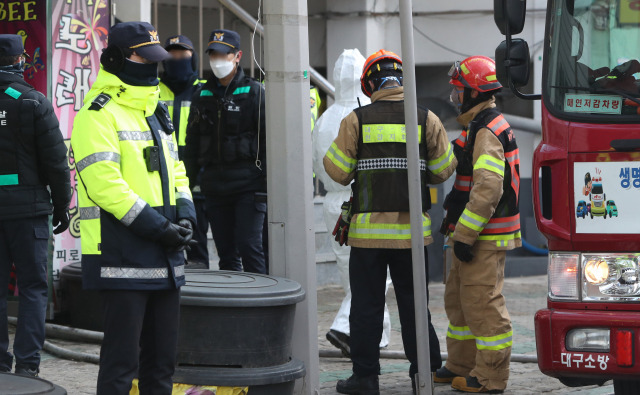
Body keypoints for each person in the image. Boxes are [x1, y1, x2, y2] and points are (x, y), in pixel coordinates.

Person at [71, 22, 196, 394]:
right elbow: (105, 186)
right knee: (121, 364)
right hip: (122, 255)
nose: (153, 67)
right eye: (145, 58)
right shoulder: (97, 114)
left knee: (162, 363)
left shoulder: (155, 109)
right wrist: (158, 227)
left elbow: (176, 168)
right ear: (116, 59)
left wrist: (186, 212)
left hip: (166, 252)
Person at [324, 49, 455, 394]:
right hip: (412, 236)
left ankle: (365, 379)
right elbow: (443, 170)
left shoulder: (356, 119)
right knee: (415, 307)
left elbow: (337, 172)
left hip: (367, 238)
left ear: (369, 84)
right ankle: (423, 375)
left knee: (366, 307)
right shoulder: (426, 119)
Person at [434, 55, 520, 393]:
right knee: (459, 302)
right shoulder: (478, 126)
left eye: (459, 91)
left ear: (474, 93)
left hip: (483, 236)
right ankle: (460, 364)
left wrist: (466, 236)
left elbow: (488, 188)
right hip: (470, 235)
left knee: (483, 306)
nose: (455, 97)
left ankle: (490, 378)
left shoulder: (487, 130)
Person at [312, 48, 392, 358]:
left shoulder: (325, 118)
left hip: (333, 203)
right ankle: (348, 326)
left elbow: (318, 164)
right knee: (373, 274)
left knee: (351, 274)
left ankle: (374, 335)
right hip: (366, 201)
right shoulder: (366, 112)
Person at [0, 34, 71, 377]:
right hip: (28, 211)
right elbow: (57, 162)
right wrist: (62, 205)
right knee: (32, 287)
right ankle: (27, 367)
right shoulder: (32, 101)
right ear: (18, 61)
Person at [185, 29, 267, 274]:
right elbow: (192, 144)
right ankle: (235, 305)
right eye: (214, 54)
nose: (218, 60)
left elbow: (266, 141)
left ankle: (262, 303)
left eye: (224, 54)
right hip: (214, 187)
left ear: (237, 56)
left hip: (248, 187)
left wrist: (264, 184)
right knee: (226, 254)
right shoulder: (202, 95)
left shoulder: (254, 93)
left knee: (250, 246)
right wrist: (187, 184)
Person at [159, 34, 209, 268]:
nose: (177, 58)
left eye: (183, 55)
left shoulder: (204, 91)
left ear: (193, 59)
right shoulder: (153, 91)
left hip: (196, 177)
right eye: (172, 55)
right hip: (161, 175)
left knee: (197, 242)